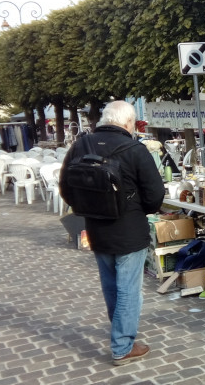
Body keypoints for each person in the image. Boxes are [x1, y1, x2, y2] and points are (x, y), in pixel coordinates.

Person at [59, 101, 165, 366]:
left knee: (111, 286)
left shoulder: (81, 145)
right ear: (128, 123)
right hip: (129, 229)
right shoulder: (135, 149)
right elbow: (155, 194)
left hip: (96, 226)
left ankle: (121, 336)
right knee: (129, 289)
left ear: (105, 119)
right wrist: (142, 209)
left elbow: (65, 186)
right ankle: (122, 346)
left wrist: (86, 208)